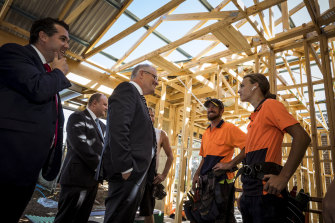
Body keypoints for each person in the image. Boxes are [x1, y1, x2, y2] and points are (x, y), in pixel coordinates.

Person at [0, 17, 71, 222]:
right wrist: (59, 72)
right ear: (43, 36)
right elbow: (37, 90)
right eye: (63, 39)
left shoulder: (46, 72)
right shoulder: (14, 53)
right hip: (8, 160)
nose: (67, 46)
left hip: (28, 164)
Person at [237, 73, 311, 222]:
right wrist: (245, 195)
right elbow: (250, 153)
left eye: (242, 85)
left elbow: (302, 137)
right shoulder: (254, 117)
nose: (239, 90)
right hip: (251, 193)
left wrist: (283, 177)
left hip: (266, 194)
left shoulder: (270, 105)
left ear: (255, 86)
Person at [98, 64, 159, 223]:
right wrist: (126, 167)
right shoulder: (127, 89)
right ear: (141, 74)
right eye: (155, 77)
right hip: (127, 172)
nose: (157, 82)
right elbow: (118, 128)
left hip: (136, 174)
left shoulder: (139, 98)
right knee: (118, 218)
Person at [54, 93, 108, 223]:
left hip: (92, 181)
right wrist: (100, 167)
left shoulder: (102, 126)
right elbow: (80, 145)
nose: (107, 108)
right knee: (66, 218)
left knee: (81, 218)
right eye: (105, 104)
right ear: (94, 103)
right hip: (76, 180)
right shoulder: (77, 117)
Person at [192, 98, 247, 223]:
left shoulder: (229, 128)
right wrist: (196, 174)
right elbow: (204, 157)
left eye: (214, 107)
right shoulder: (206, 133)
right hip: (206, 181)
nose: (210, 109)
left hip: (223, 182)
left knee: (223, 217)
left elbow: (249, 145)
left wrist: (230, 164)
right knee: (207, 215)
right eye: (208, 107)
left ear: (221, 111)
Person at [139, 107, 174, 223]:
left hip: (150, 178)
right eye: (147, 114)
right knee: (127, 210)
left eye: (152, 115)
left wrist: (163, 175)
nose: (150, 117)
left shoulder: (160, 134)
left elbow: (170, 156)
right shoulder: (133, 132)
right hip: (134, 176)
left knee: (148, 212)